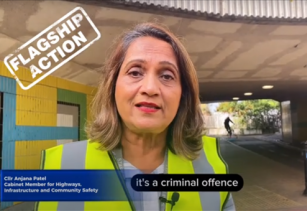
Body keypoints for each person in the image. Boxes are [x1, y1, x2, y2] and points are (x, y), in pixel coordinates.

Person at [35, 23, 236, 211]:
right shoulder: (63, 167)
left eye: (167, 76)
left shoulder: (212, 167)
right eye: (135, 72)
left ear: (183, 95)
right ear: (113, 87)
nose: (150, 88)